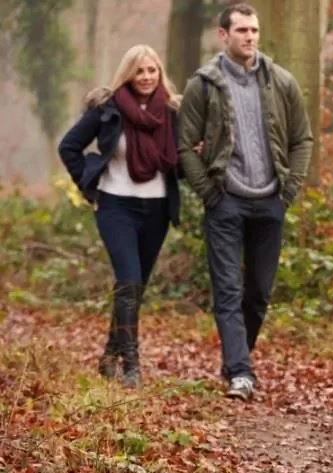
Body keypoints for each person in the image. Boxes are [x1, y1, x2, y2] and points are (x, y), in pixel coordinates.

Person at [177, 2, 313, 400]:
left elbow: (302, 139)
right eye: (241, 31)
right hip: (226, 202)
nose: (250, 37)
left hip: (271, 200)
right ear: (224, 35)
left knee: (258, 292)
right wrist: (209, 193)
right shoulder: (202, 84)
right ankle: (240, 372)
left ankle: (237, 360)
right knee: (228, 290)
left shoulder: (282, 81)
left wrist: (288, 191)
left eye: (254, 30)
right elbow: (185, 145)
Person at [58, 44, 183, 388]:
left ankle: (109, 356)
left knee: (136, 287)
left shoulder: (172, 112)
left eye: (152, 70)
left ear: (160, 73)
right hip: (115, 207)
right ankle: (131, 365)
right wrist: (89, 189)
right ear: (128, 74)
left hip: (157, 209)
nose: (146, 77)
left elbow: (178, 162)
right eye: (139, 71)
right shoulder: (107, 109)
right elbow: (69, 146)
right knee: (128, 281)